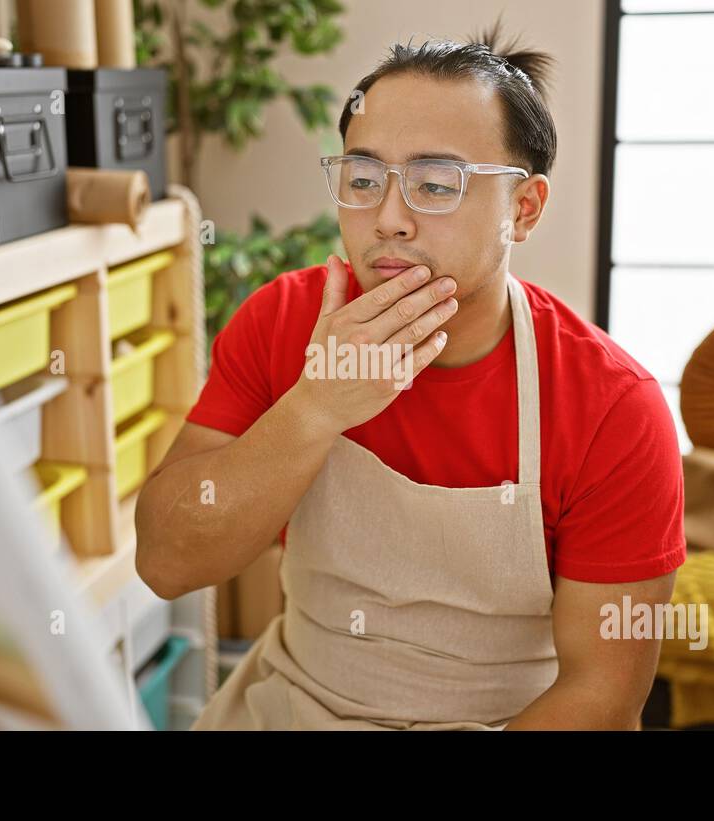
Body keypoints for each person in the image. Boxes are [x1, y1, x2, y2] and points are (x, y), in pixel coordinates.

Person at [134, 24, 686, 730]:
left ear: (524, 208)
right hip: (292, 706)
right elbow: (164, 560)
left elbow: (603, 697)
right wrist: (313, 407)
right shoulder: (282, 321)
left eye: (435, 183)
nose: (388, 218)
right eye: (364, 179)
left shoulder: (613, 404)